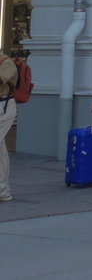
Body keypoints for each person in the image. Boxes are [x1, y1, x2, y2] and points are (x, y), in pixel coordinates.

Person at [0, 51, 24, 202]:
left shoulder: (8, 64)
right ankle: (3, 190)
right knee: (1, 148)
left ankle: (3, 189)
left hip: (4, 107)